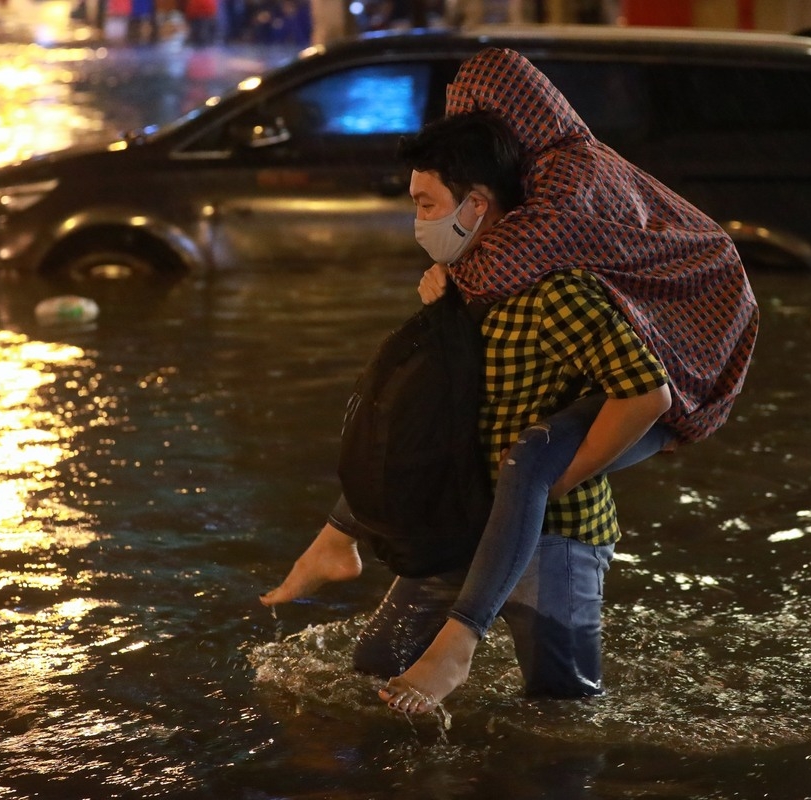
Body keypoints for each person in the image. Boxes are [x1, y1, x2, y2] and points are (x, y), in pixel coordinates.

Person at [263, 48, 758, 714]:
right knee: (369, 673)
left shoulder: (556, 276)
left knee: (561, 710)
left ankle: (459, 645)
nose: (417, 221)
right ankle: (339, 545)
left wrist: (559, 477)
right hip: (468, 510)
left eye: (426, 204)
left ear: (477, 201)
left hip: (554, 528)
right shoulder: (478, 267)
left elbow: (647, 394)